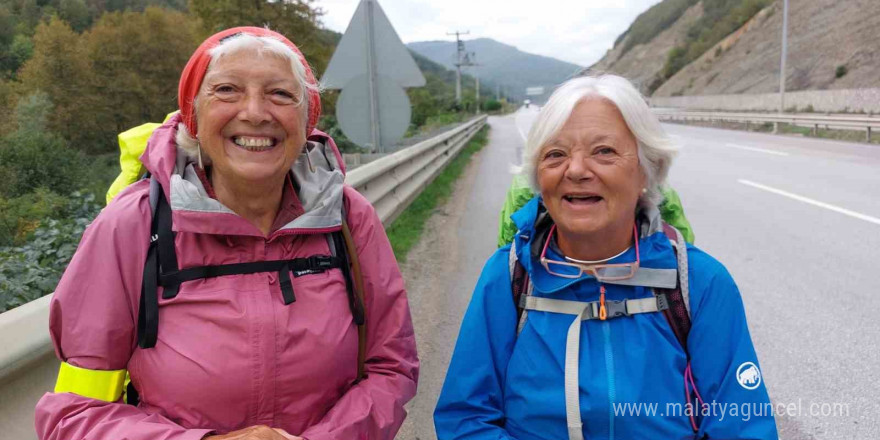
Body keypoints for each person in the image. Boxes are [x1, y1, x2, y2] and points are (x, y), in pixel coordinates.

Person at [35, 27, 418, 440]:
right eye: (227, 90)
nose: (254, 112)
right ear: (193, 116)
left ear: (306, 121)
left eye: (281, 94)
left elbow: (391, 368)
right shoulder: (132, 225)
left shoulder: (347, 217)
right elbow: (74, 414)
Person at [434, 75, 777, 440]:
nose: (577, 170)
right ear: (538, 176)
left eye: (604, 151)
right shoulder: (508, 277)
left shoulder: (699, 283)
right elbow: (466, 419)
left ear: (647, 169)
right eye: (555, 154)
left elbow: (743, 426)